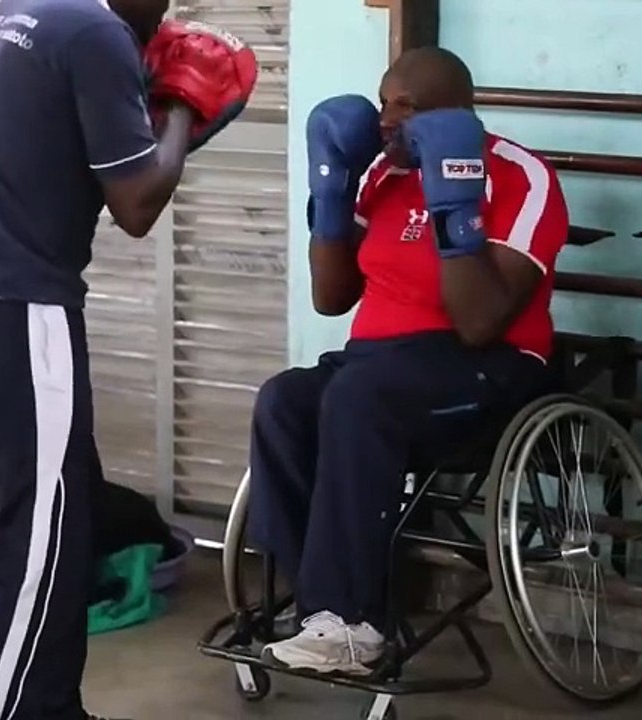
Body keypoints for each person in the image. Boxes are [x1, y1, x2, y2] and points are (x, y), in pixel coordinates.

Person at [0, 1, 256, 718]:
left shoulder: (14, 13)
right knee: (31, 548)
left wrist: (148, 106)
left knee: (62, 530)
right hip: (16, 308)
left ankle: (50, 708)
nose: (163, 11)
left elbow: (52, 145)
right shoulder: (95, 33)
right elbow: (136, 204)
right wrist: (185, 108)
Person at [247, 46, 569, 676]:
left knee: (358, 398)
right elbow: (332, 298)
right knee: (284, 400)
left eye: (408, 107)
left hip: (484, 368)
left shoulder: (521, 177)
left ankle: (350, 623)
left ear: (455, 113)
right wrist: (331, 200)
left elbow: (480, 323)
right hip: (375, 363)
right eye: (384, 101)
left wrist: (455, 200)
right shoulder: (383, 173)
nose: (386, 120)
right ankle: (321, 608)